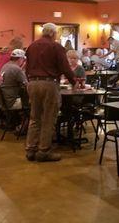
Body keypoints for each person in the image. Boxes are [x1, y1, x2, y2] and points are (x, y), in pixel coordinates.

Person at [25, 23, 77, 162]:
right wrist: (74, 82)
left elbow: (27, 67)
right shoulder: (56, 47)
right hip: (49, 84)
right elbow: (65, 67)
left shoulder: (31, 46)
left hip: (32, 83)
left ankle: (31, 149)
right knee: (48, 118)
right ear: (54, 33)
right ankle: (44, 151)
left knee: (34, 117)